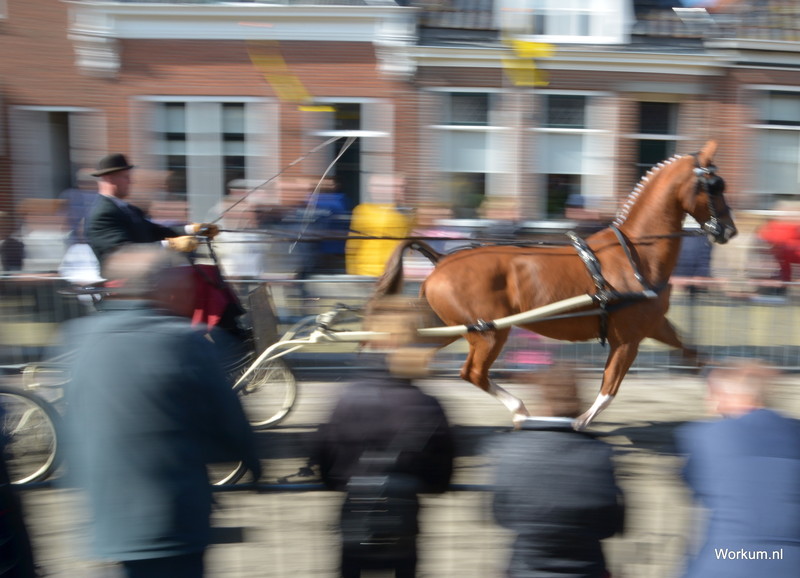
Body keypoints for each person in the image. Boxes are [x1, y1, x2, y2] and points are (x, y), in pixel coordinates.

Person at [61, 244, 261, 578]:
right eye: (184, 287)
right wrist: (253, 464)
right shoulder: (184, 341)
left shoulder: (82, 338)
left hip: (110, 518)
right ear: (164, 290)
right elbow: (229, 426)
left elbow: (74, 424)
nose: (189, 296)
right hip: (174, 518)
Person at [313, 296, 455, 578]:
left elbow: (325, 464)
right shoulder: (427, 404)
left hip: (355, 517)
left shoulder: (345, 399)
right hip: (404, 521)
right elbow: (441, 478)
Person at [491, 366, 625, 578]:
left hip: (526, 569)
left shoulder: (511, 448)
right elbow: (610, 526)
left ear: (543, 401)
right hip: (586, 570)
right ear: (578, 402)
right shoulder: (600, 452)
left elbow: (502, 517)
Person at [675, 359, 800, 578]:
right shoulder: (795, 432)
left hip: (725, 561)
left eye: (712, 395)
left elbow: (694, 484)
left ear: (723, 395)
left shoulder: (704, 435)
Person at [85, 153, 219, 264]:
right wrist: (171, 245)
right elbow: (123, 251)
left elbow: (155, 231)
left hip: (146, 273)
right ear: (110, 179)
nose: (130, 182)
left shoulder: (128, 209)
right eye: (126, 177)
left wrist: (194, 229)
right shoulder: (103, 213)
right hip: (124, 277)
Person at [345, 174, 412, 277]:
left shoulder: (403, 213)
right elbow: (353, 244)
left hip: (392, 270)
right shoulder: (362, 210)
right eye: (373, 186)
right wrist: (352, 272)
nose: (375, 190)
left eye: (381, 186)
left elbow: (408, 243)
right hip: (365, 271)